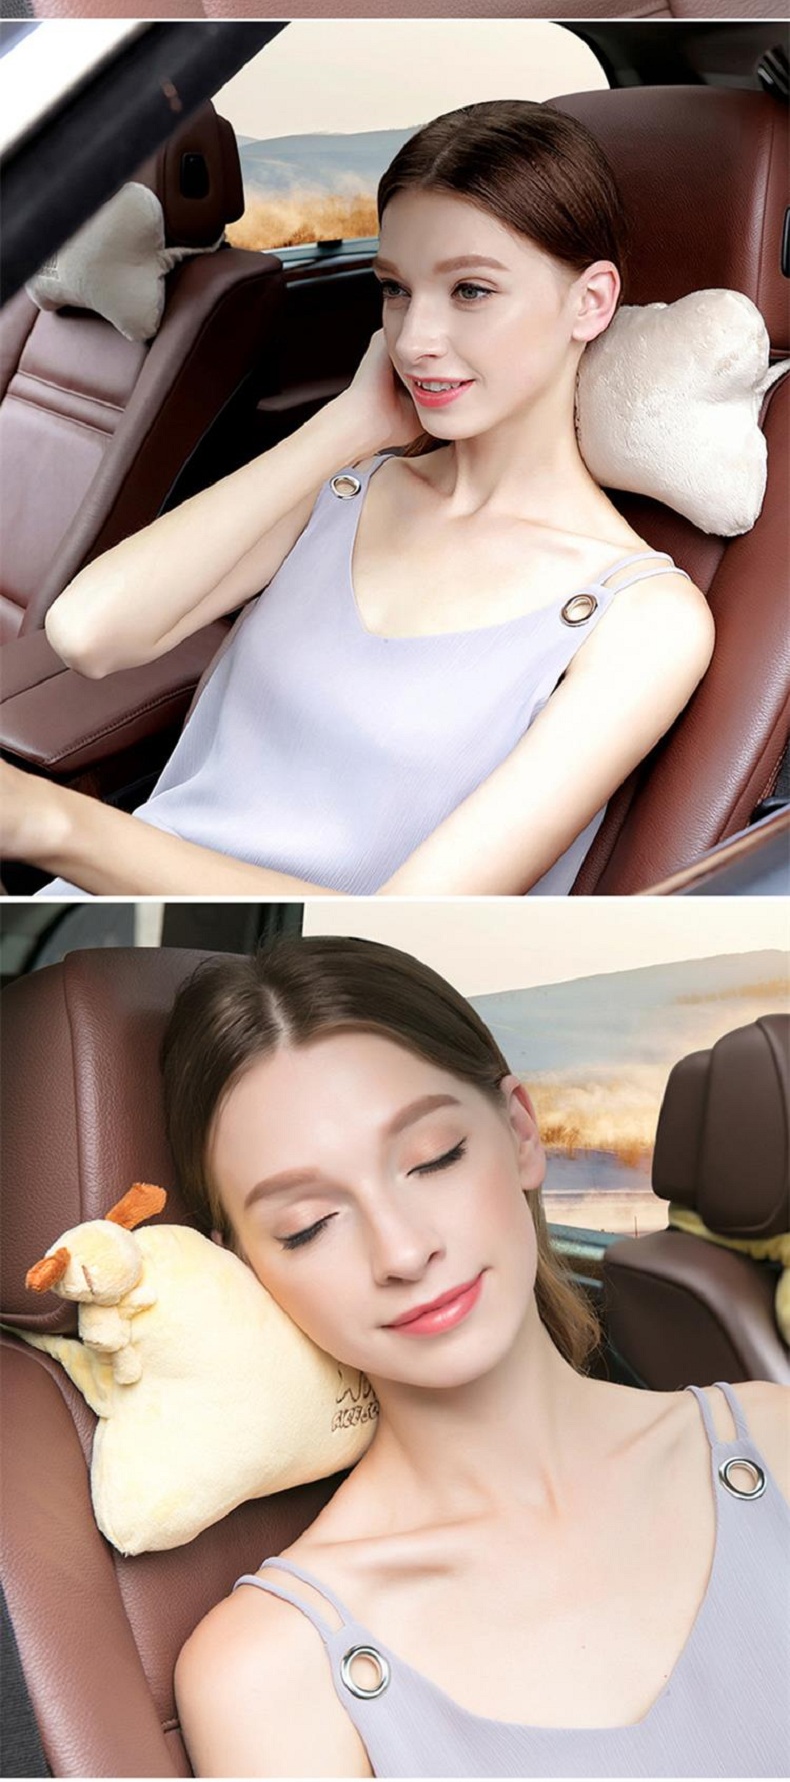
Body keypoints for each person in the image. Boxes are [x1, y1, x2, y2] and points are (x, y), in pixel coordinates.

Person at [0, 104, 712, 900]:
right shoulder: (349, 487)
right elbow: (88, 633)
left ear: (591, 301)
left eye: (471, 290)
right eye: (396, 290)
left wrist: (54, 825)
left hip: (281, 953)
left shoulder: (644, 620)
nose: (414, 340)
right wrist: (347, 425)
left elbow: (405, 926)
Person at [167, 936, 789, 1780]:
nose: (403, 1250)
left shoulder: (779, 1442)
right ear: (244, 1267)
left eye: (434, 1159)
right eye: (307, 1226)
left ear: (520, 1131)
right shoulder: (271, 1673)